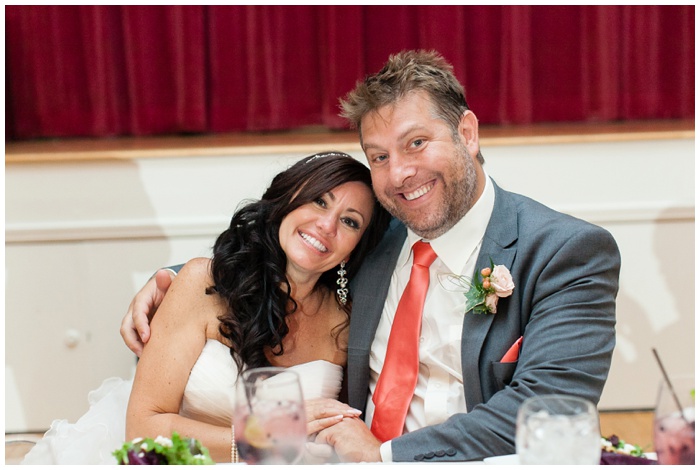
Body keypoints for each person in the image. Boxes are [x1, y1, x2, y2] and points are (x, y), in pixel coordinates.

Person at [121, 50, 621, 462]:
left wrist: (384, 457)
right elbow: (293, 256)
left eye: (416, 143)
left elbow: (547, 409)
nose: (399, 173)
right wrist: (175, 280)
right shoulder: (376, 237)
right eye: (379, 156)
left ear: (467, 134)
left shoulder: (565, 251)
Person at [22, 151, 391, 464]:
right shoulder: (202, 284)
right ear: (288, 199)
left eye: (349, 221)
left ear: (357, 246)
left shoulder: (347, 322)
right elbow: (144, 428)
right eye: (319, 201)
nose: (326, 225)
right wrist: (260, 438)